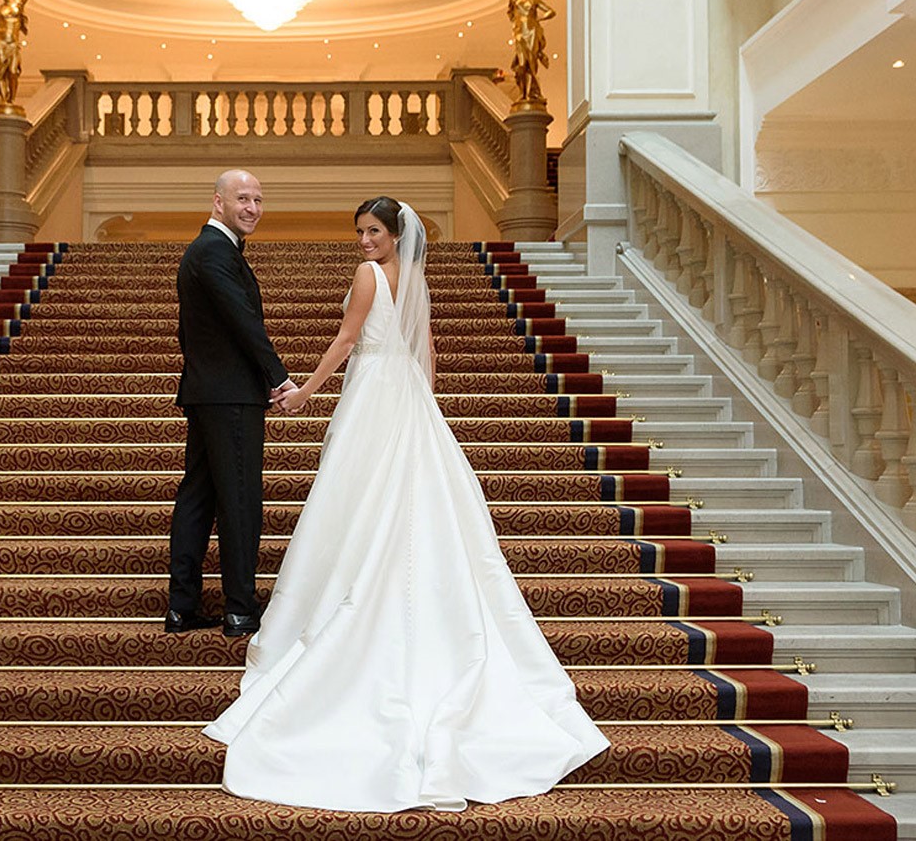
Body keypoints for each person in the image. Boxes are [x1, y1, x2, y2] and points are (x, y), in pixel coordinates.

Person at [205, 196, 608, 810]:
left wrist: (304, 393)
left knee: (359, 500)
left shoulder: (369, 276)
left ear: (396, 235)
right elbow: (425, 353)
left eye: (373, 232)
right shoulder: (413, 276)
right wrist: (426, 404)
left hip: (373, 396)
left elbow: (345, 340)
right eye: (359, 231)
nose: (364, 241)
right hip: (402, 395)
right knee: (397, 502)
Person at [166, 169, 295, 637]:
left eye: (259, 200)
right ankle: (239, 609)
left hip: (209, 392)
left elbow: (191, 331)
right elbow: (244, 322)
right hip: (231, 397)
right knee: (239, 500)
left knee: (198, 498)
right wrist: (278, 378)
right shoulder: (214, 252)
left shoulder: (211, 251)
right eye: (243, 198)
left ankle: (182, 606)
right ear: (217, 202)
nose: (253, 208)